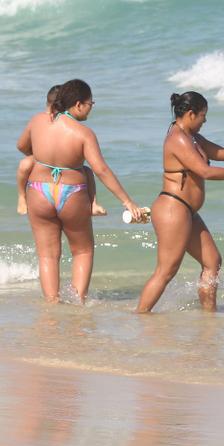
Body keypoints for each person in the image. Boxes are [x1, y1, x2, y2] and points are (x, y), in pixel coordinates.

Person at [136, 91, 224, 313]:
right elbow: (205, 171)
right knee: (166, 271)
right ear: (191, 114)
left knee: (212, 261)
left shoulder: (192, 136)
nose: (205, 120)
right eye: (203, 115)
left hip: (187, 212)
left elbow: (222, 152)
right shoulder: (178, 139)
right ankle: (140, 316)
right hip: (173, 209)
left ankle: (208, 317)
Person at [16, 78, 142, 303]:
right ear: (78, 105)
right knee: (82, 251)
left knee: (47, 255)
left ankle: (52, 305)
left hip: (38, 189)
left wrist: (43, 156)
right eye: (90, 103)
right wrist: (127, 201)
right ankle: (77, 303)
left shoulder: (37, 121)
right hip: (71, 192)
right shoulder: (83, 133)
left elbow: (22, 146)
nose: (91, 108)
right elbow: (101, 170)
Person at [17, 85, 106, 217]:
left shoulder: (38, 120)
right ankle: (21, 197)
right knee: (87, 171)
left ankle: (22, 197)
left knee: (26, 163)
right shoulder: (72, 126)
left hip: (41, 184)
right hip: (67, 182)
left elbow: (21, 146)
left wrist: (39, 157)